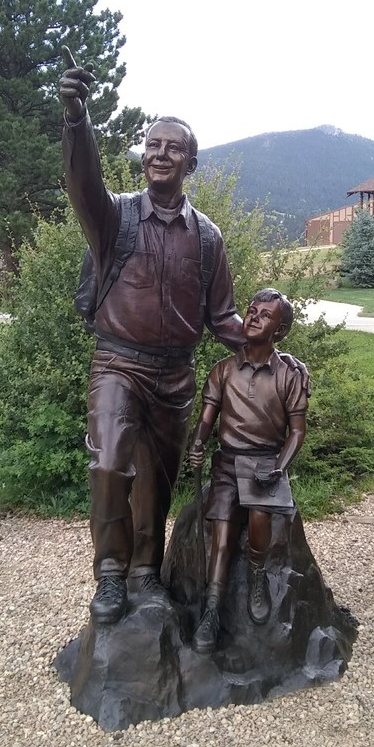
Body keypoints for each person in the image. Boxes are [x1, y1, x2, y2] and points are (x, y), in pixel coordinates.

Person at [59, 48, 307, 626]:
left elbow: (223, 318)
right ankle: (111, 575)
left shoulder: (207, 238)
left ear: (191, 164)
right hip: (118, 364)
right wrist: (76, 119)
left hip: (175, 374)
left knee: (156, 482)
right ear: (142, 155)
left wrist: (267, 350)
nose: (160, 154)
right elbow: (80, 180)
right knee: (109, 464)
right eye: (152, 144)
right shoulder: (114, 217)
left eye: (174, 147)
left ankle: (146, 572)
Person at [188, 288, 308, 654]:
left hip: (265, 464)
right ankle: (211, 610)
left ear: (280, 329)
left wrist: (279, 469)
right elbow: (206, 420)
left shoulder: (289, 374)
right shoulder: (223, 370)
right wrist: (197, 445)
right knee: (222, 535)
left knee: (259, 517)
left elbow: (297, 432)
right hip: (227, 462)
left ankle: (258, 575)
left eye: (265, 315)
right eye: (251, 311)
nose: (253, 317)